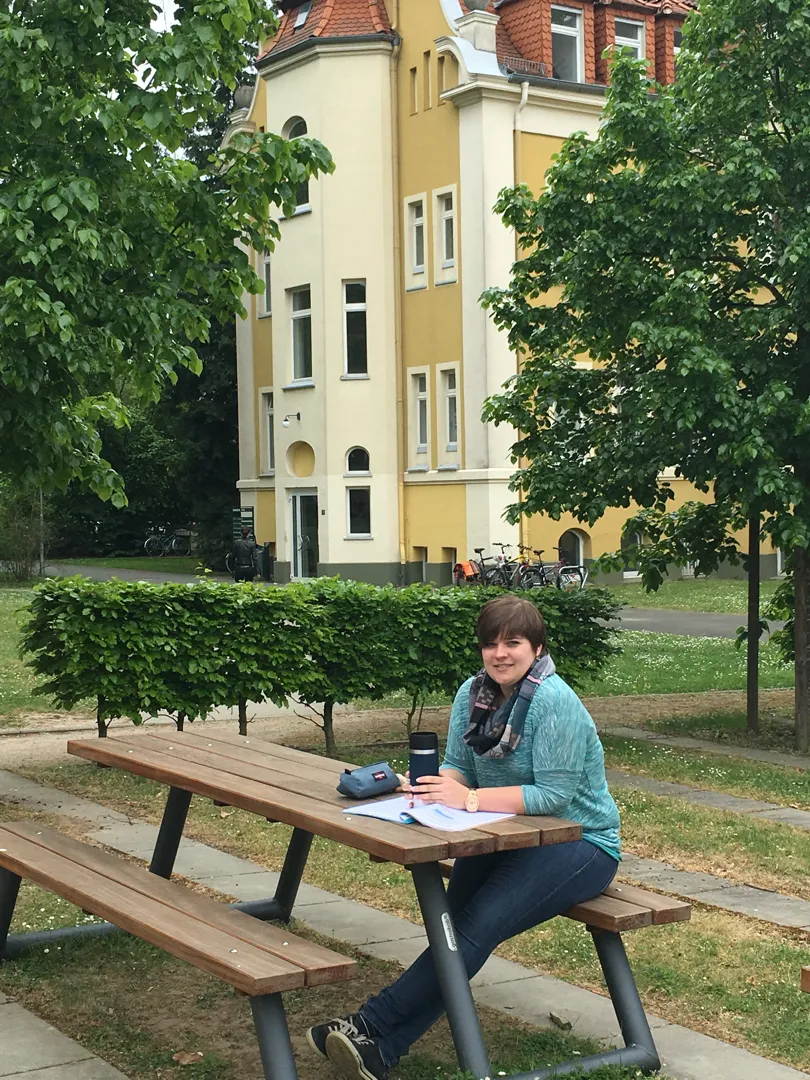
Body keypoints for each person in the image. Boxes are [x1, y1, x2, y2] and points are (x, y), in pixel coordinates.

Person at [306, 594, 621, 1080]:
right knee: (452, 930)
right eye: (490, 644)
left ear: (536, 648)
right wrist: (435, 784)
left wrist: (468, 800)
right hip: (503, 833)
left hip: (580, 844)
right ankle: (380, 1048)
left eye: (513, 643)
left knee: (474, 928)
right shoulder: (470, 694)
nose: (500, 654)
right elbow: (460, 765)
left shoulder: (555, 701)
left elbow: (554, 797)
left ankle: (370, 1022)